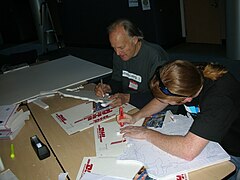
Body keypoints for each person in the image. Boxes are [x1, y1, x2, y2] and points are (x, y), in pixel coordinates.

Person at [118, 60, 240, 180]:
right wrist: (136, 116)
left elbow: (188, 151)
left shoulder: (219, 100)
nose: (163, 102)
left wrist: (146, 133)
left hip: (230, 148)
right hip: (207, 134)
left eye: (168, 102)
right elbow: (163, 98)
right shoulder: (189, 75)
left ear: (187, 99)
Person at [94, 19, 169, 109]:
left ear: (135, 40)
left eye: (121, 47)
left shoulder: (156, 56)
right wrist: (109, 87)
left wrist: (128, 98)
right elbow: (117, 80)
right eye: (114, 48)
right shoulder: (119, 53)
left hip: (152, 106)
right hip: (129, 103)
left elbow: (161, 95)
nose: (117, 53)